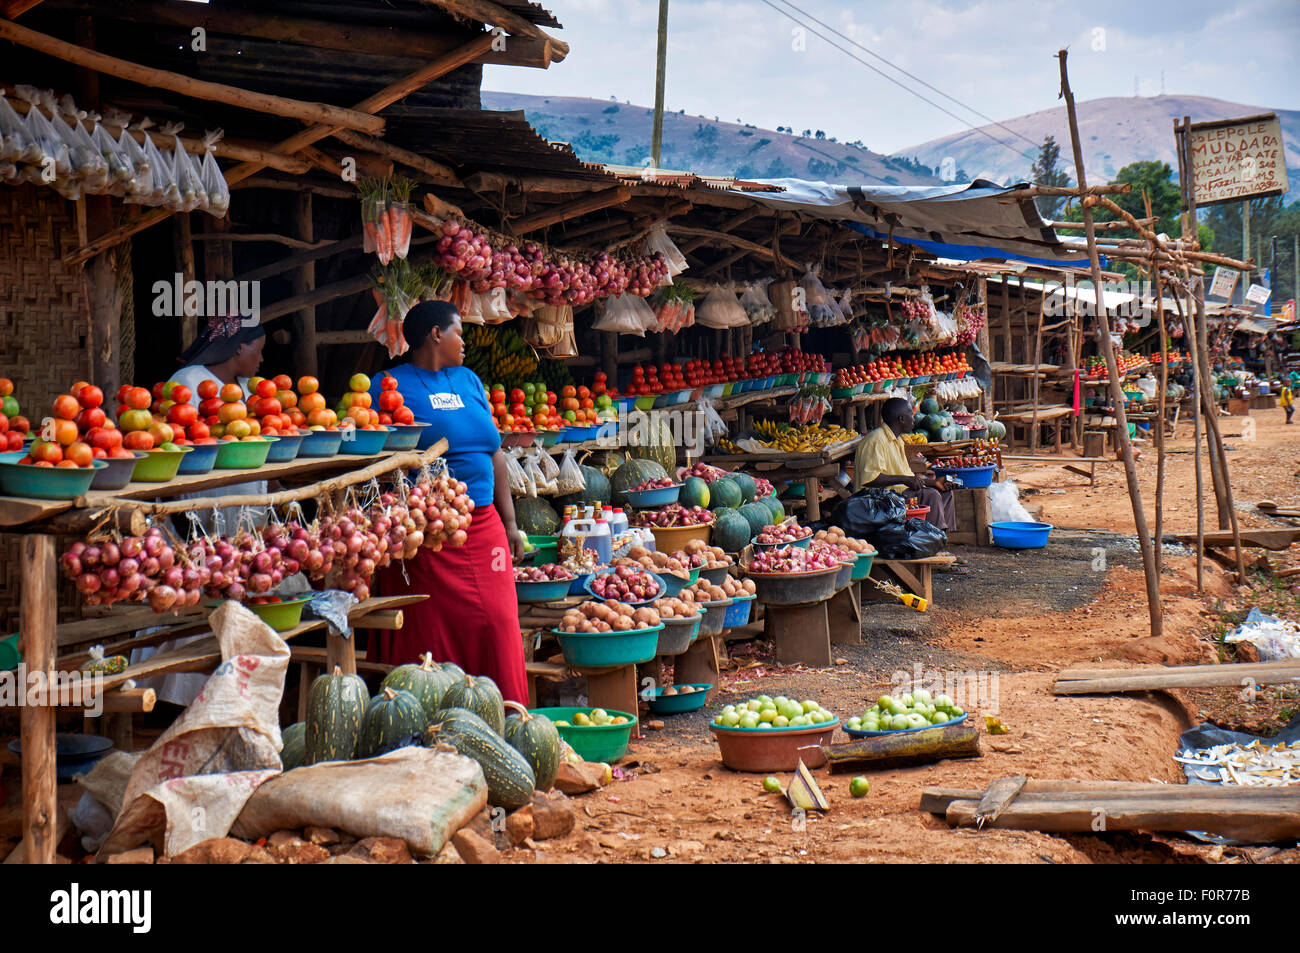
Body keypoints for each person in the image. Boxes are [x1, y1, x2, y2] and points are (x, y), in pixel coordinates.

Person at [366, 301, 528, 704]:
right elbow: (371, 457)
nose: (464, 342)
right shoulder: (386, 384)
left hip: (484, 521)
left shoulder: (469, 380)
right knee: (431, 628)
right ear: (436, 335)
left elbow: (495, 453)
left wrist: (510, 523)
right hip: (429, 530)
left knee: (500, 621)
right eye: (459, 332)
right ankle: (433, 717)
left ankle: (506, 714)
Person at [132, 316, 269, 708]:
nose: (261, 359)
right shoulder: (188, 382)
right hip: (199, 506)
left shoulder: (246, 389)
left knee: (232, 591)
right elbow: (184, 439)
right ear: (238, 348)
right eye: (257, 349)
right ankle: (178, 697)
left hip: (239, 507)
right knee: (195, 591)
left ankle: (226, 696)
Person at [852, 397, 955, 531]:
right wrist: (904, 479)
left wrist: (934, 483)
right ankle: (932, 538)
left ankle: (941, 536)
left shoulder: (898, 440)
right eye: (910, 415)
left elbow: (908, 476)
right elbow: (870, 479)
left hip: (899, 493)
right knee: (931, 495)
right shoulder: (876, 440)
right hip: (877, 501)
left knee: (945, 493)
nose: (913, 419)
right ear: (901, 419)